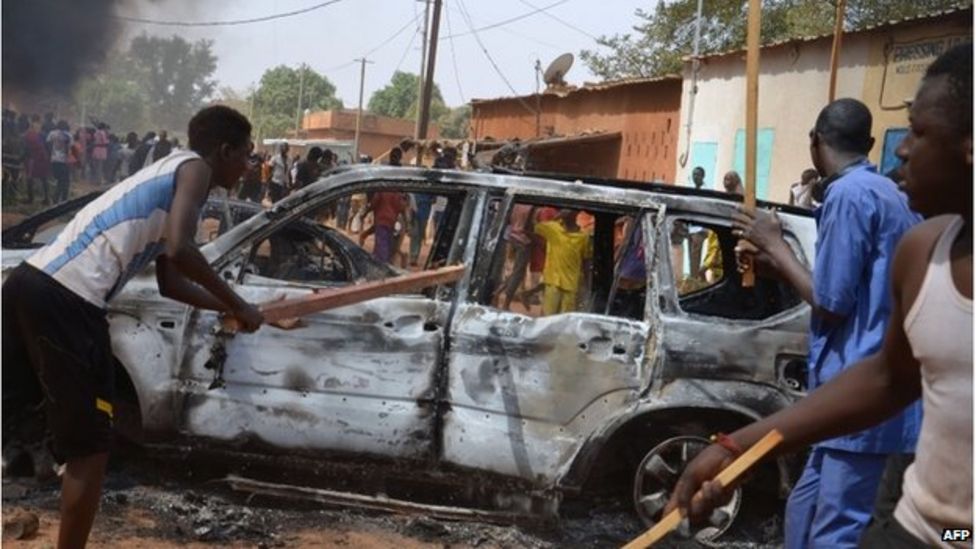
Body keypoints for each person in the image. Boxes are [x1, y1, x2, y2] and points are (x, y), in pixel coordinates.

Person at [667, 43, 971, 549]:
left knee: (837, 531)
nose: (901, 150)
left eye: (918, 132)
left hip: (957, 530)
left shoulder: (851, 194)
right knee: (809, 525)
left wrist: (775, 247)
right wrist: (738, 447)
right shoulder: (924, 249)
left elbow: (831, 299)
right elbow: (886, 378)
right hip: (913, 525)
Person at [2, 105, 264, 549]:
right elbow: (182, 250)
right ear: (224, 151)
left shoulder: (170, 171)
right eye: (246, 154)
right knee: (91, 450)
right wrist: (239, 301)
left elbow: (170, 280)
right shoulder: (196, 170)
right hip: (67, 299)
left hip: (31, 284)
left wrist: (231, 310)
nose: (249, 165)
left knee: (23, 427)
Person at [533, 209, 592, 315]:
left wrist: (588, 282)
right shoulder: (553, 228)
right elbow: (536, 226)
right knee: (548, 317)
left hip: (571, 285)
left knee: (565, 319)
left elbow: (586, 261)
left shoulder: (583, 237)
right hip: (553, 282)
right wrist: (556, 218)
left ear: (576, 214)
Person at [23, 115, 51, 204]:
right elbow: (47, 145)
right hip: (43, 157)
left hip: (32, 157)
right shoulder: (43, 133)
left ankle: (30, 198)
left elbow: (26, 145)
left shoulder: (29, 132)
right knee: (44, 178)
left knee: (30, 177)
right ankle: (46, 198)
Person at [47, 121, 73, 203]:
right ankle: (61, 199)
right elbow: (70, 148)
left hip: (54, 159)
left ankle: (57, 198)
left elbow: (47, 144)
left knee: (59, 180)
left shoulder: (52, 133)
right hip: (64, 161)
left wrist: (50, 155)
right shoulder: (68, 135)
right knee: (65, 181)